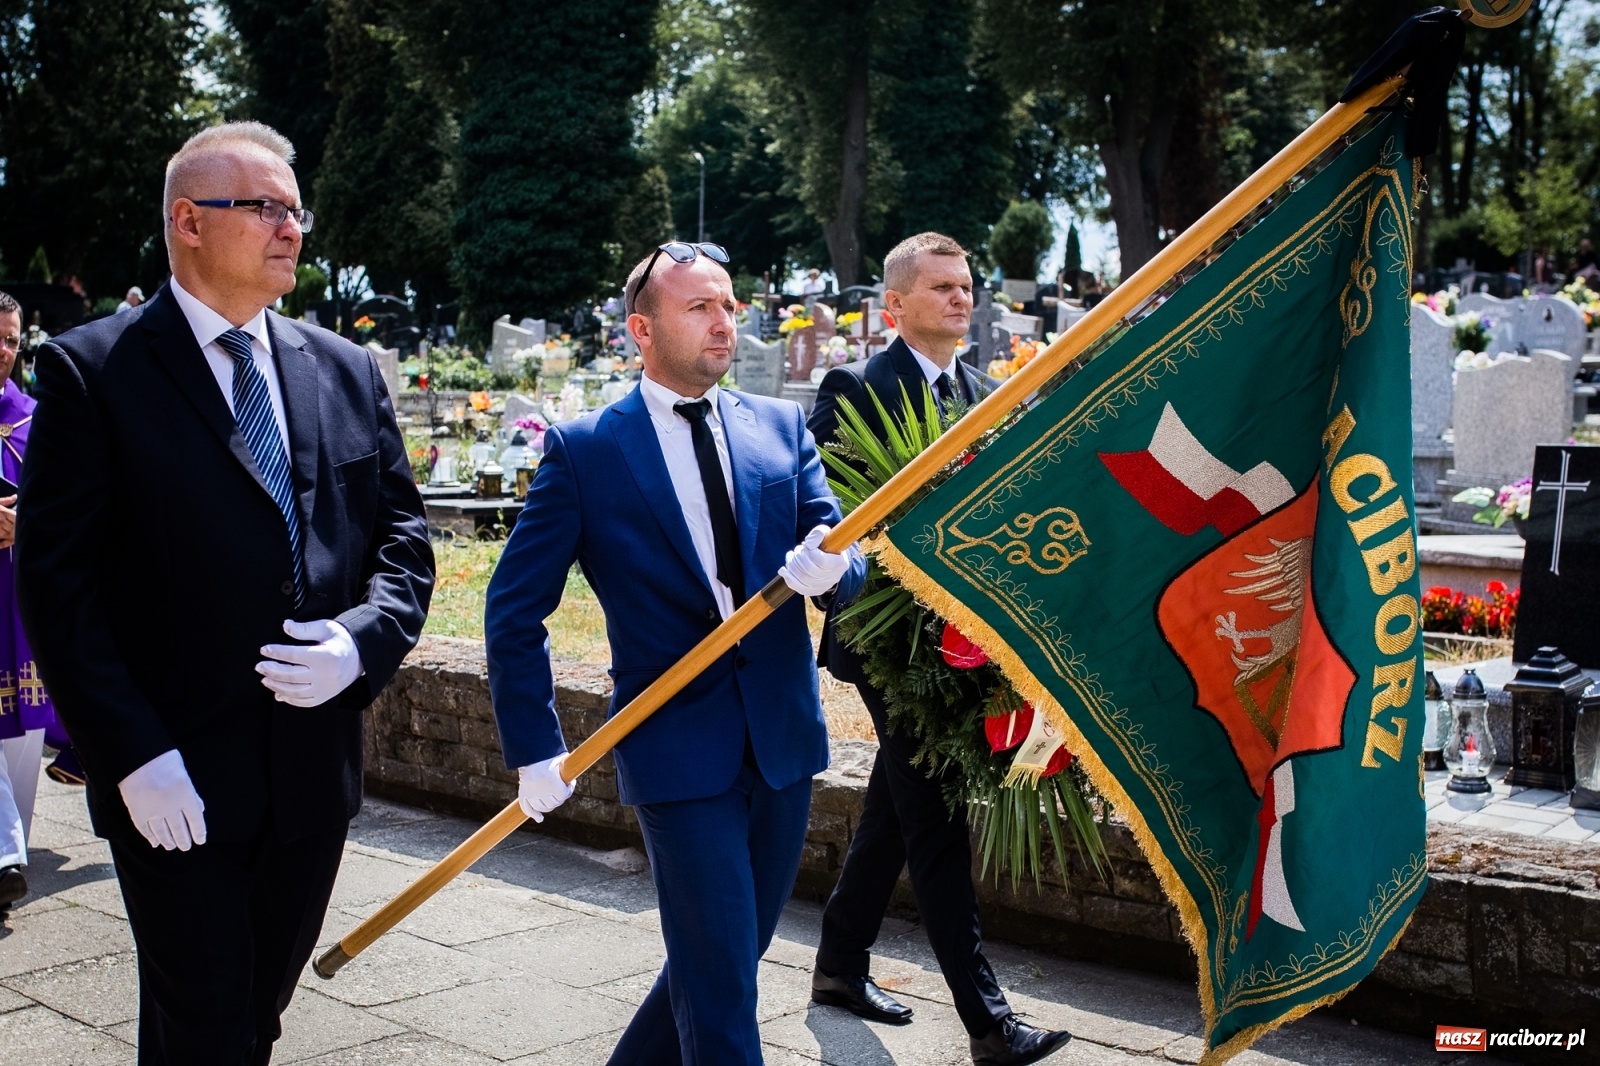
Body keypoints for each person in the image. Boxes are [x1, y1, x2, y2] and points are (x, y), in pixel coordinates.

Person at [16, 121, 434, 1064]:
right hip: (175, 777)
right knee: (211, 1024)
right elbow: (58, 583)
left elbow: (403, 542)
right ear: (189, 221)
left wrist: (361, 643)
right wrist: (129, 753)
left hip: (310, 771)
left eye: (297, 209)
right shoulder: (93, 372)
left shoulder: (344, 368)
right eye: (267, 208)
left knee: (252, 1015)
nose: (292, 228)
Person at [485, 240, 865, 1065]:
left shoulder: (779, 425)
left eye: (729, 305)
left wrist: (835, 569)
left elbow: (842, 552)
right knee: (726, 990)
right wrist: (534, 746)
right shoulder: (586, 451)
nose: (725, 322)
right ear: (642, 330)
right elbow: (514, 608)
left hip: (782, 742)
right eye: (700, 307)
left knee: (722, 959)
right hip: (674, 749)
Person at [806, 232, 1073, 1066]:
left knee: (896, 804)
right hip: (896, 647)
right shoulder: (854, 388)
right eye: (944, 287)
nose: (963, 299)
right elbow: (836, 517)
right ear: (895, 305)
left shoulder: (989, 392)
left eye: (967, 286)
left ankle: (840, 967)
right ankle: (988, 1023)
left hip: (971, 646)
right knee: (936, 818)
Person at [0, 288, 57, 914]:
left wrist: (27, 520)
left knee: (23, 730)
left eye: (13, 339)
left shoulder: (36, 419)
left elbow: (68, 499)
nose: (5, 351)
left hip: (18, 595)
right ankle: (5, 854)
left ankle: (10, 854)